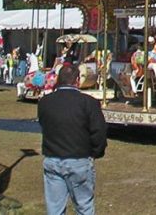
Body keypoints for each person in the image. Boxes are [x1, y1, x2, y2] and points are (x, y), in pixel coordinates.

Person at [37, 62, 107, 215]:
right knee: (84, 206)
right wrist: (96, 152)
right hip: (79, 158)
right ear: (77, 81)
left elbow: (44, 124)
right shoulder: (88, 102)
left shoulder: (45, 102)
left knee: (55, 209)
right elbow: (99, 131)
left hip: (53, 158)